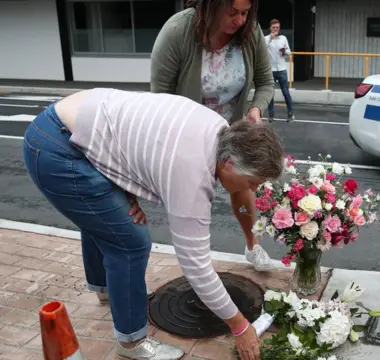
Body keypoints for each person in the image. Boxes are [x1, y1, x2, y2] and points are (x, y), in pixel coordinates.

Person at [22, 88, 284, 360]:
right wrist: (240, 327)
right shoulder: (192, 175)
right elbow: (196, 266)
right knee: (129, 243)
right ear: (230, 163)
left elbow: (139, 144)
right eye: (254, 182)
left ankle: (107, 290)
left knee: (105, 220)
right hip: (57, 149)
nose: (253, 189)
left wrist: (124, 188)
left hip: (73, 126)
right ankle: (132, 342)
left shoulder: (218, 130)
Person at [150, 0, 276, 272]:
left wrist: (255, 108)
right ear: (211, 5)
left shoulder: (249, 33)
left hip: (232, 133)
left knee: (242, 191)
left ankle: (252, 244)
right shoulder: (177, 32)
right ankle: (198, 260)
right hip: (190, 135)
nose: (240, 20)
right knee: (196, 198)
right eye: (232, 12)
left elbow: (266, 82)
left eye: (245, 13)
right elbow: (160, 96)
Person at [265, 18, 295, 122]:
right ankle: (271, 115)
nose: (275, 29)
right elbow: (263, 50)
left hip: (282, 70)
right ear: (270, 28)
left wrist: (284, 51)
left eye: (277, 27)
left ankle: (290, 114)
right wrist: (270, 39)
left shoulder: (283, 38)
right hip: (271, 70)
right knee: (270, 94)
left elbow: (289, 52)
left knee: (286, 93)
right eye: (273, 27)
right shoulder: (266, 39)